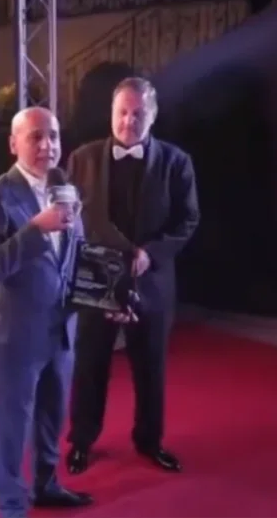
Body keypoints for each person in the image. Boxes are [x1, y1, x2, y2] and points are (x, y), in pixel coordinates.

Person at [0, 107, 116, 517]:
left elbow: (76, 261)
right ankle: (12, 507)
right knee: (13, 428)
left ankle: (46, 485)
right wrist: (36, 229)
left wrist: (111, 299)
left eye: (52, 136)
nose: (47, 145)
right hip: (15, 338)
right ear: (13, 143)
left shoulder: (65, 190)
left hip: (61, 331)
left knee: (52, 418)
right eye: (35, 136)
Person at [64, 76, 199, 475]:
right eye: (122, 112)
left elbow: (188, 220)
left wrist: (150, 254)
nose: (128, 121)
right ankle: (82, 440)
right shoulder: (82, 158)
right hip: (97, 280)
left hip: (151, 281)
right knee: (90, 365)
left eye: (138, 114)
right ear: (112, 113)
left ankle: (150, 441)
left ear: (152, 116)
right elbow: (71, 220)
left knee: (150, 367)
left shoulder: (177, 162)